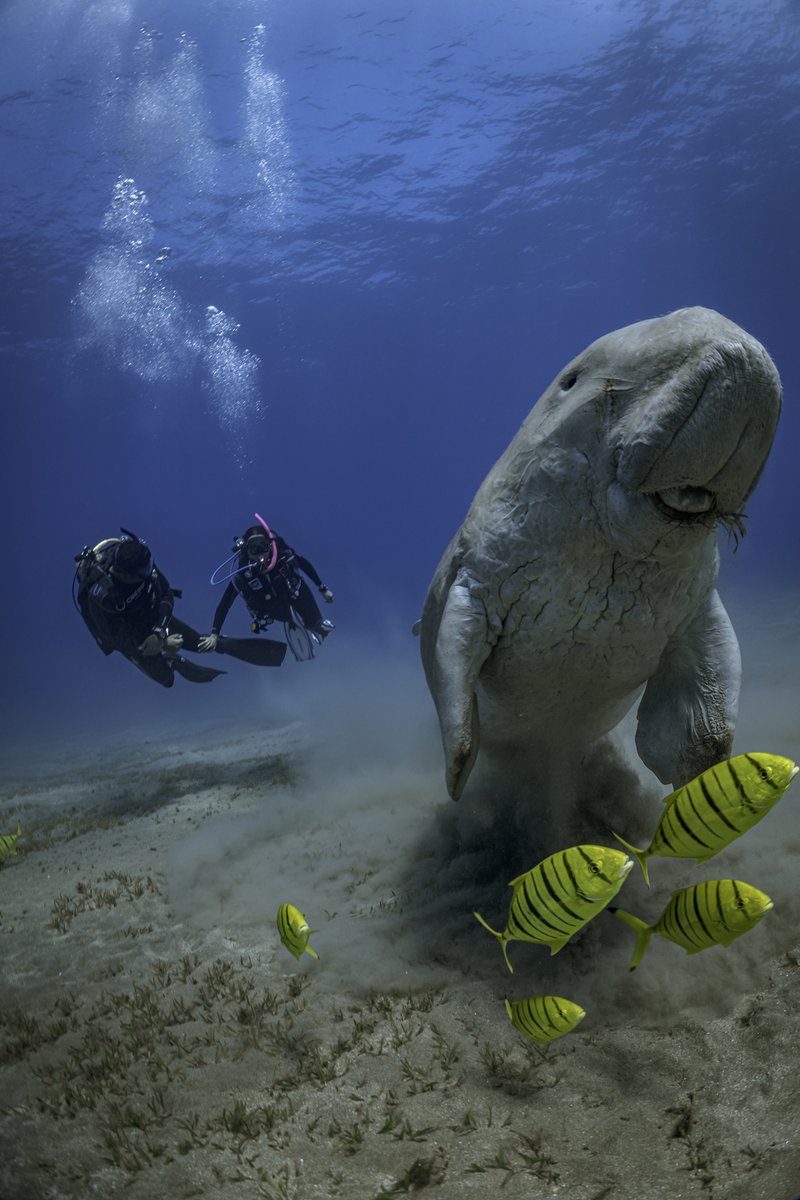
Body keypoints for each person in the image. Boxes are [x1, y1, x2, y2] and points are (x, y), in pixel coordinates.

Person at [74, 530, 226, 687]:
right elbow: (120, 642)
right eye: (145, 572)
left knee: (199, 644)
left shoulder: (142, 560)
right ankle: (172, 662)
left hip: (152, 615)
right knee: (167, 680)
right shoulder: (103, 598)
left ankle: (224, 644)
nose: (151, 572)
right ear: (127, 576)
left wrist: (159, 631)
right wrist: (163, 644)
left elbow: (166, 593)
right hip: (132, 635)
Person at [201, 520, 334, 651]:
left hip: (294, 592)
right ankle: (295, 621)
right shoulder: (244, 574)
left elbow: (303, 564)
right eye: (254, 548)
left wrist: (322, 588)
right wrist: (214, 634)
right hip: (271, 607)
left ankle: (315, 625)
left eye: (263, 547)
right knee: (282, 614)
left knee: (315, 620)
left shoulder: (283, 556)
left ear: (270, 546)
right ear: (247, 551)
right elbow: (225, 603)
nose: (260, 555)